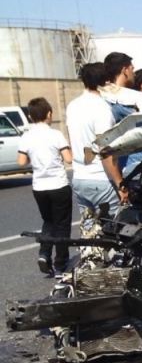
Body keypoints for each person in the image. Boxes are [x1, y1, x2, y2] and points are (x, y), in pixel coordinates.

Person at [17, 97, 73, 275]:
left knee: (48, 221)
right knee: (62, 224)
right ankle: (60, 263)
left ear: (30, 116)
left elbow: (21, 162)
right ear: (49, 114)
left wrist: (35, 158)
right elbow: (68, 159)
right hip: (58, 184)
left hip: (39, 187)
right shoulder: (56, 134)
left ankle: (44, 254)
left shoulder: (27, 136)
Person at [66, 62, 126, 223]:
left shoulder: (72, 106)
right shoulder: (102, 109)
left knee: (89, 228)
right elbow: (104, 149)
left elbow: (72, 140)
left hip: (79, 178)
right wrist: (120, 185)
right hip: (101, 179)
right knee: (114, 228)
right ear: (106, 82)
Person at [100, 51, 142, 116]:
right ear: (125, 70)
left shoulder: (102, 97)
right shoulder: (123, 104)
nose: (134, 74)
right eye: (132, 69)